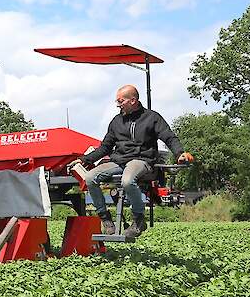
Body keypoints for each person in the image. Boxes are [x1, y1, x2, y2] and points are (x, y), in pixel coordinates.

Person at [68, 85, 192, 238]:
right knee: (90, 178)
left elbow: (169, 137)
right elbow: (105, 147)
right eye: (117, 101)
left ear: (133, 100)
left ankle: (138, 219)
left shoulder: (152, 118)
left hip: (142, 160)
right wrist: (84, 160)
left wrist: (180, 153)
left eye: (121, 101)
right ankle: (105, 218)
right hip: (119, 160)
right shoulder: (116, 121)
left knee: (127, 181)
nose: (118, 104)